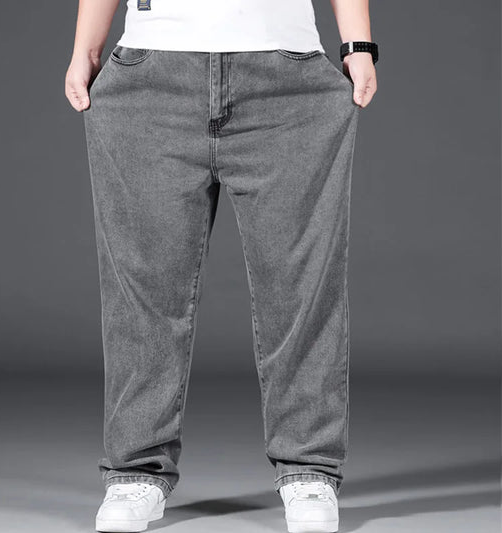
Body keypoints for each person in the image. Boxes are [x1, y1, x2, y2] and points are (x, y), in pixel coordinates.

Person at [65, 1, 377, 531]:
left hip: (287, 75)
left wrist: (358, 45)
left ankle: (309, 469)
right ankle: (135, 471)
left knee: (302, 285)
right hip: (151, 74)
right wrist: (85, 50)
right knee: (144, 288)